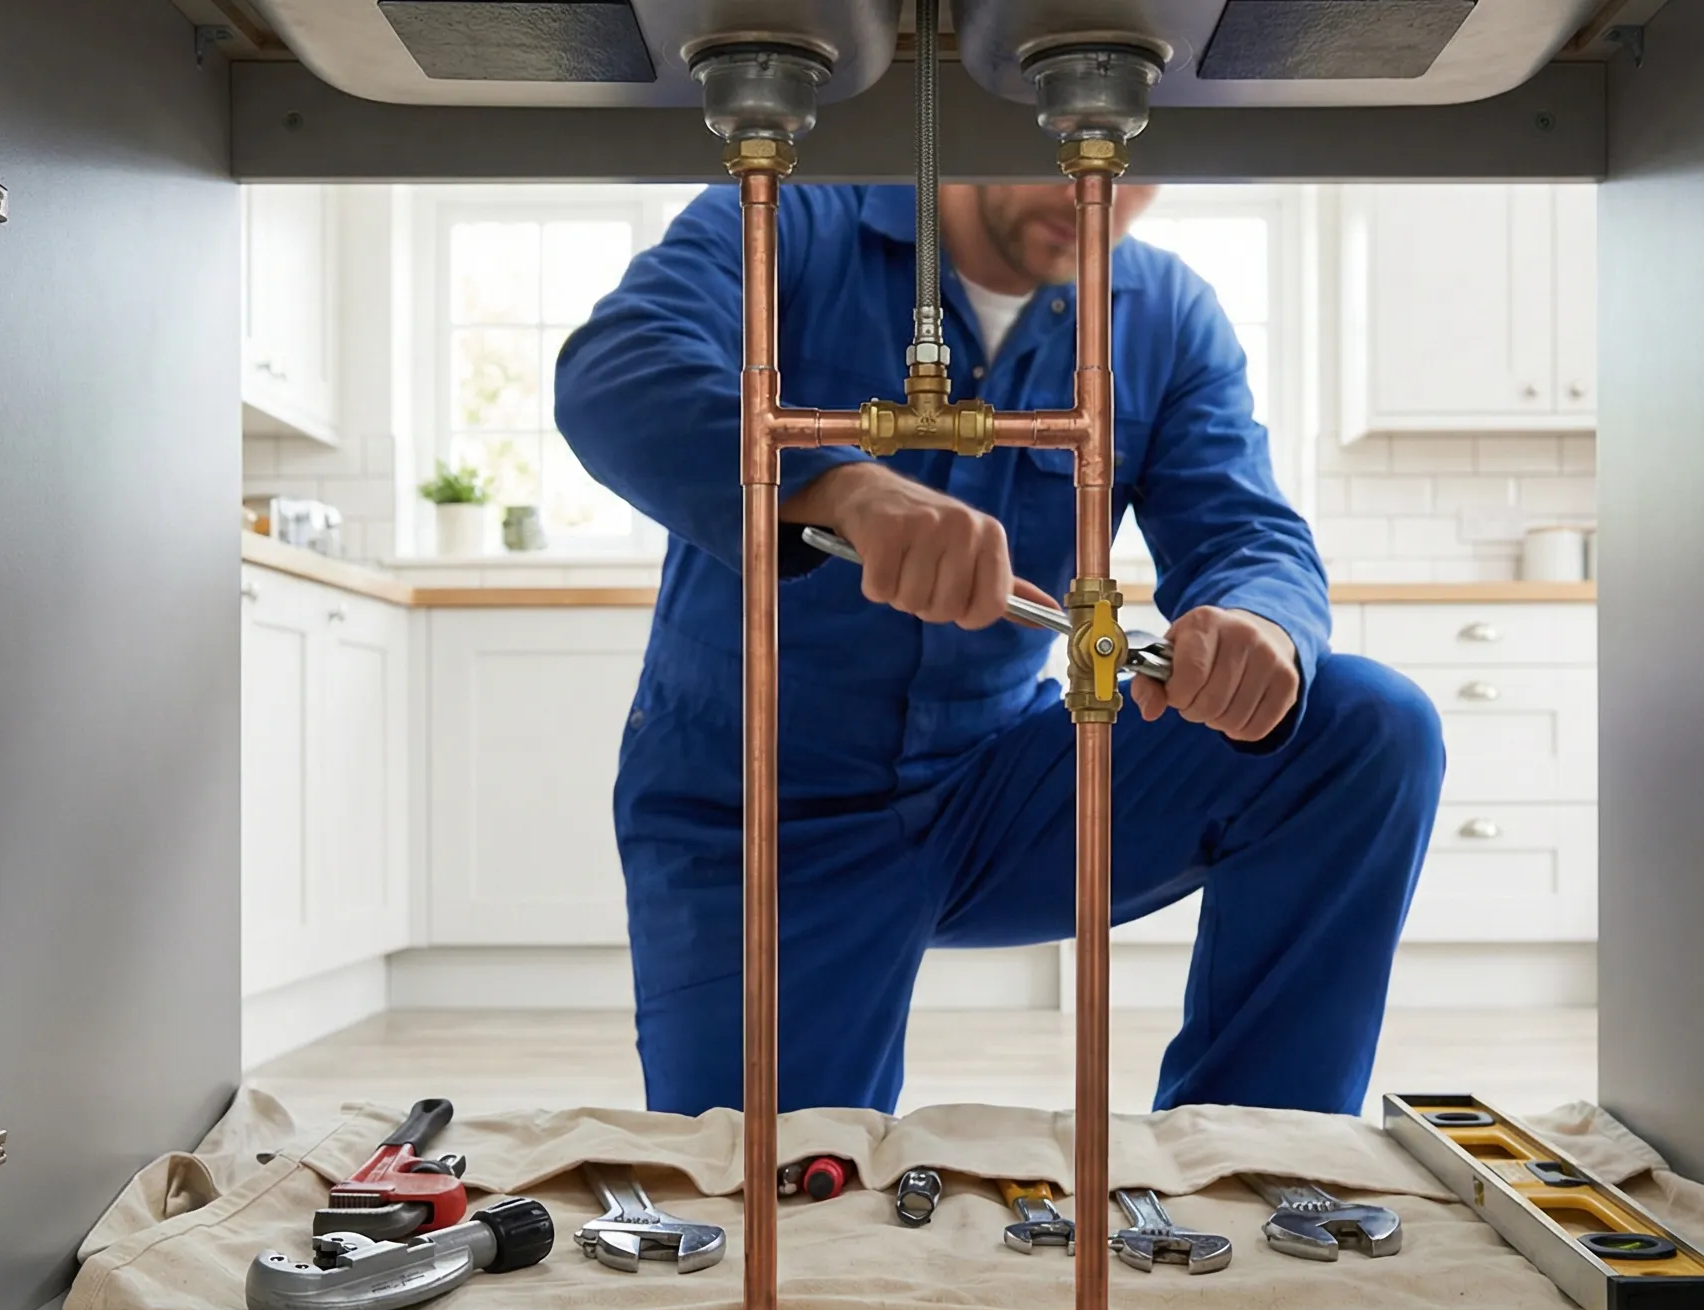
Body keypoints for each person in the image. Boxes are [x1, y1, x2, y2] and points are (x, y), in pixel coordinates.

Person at [553, 180, 1444, 1118]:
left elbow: (1247, 534)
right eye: (1052, 143)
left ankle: (1257, 1158)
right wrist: (840, 485)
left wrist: (1260, 623)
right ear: (970, 106)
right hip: (761, 816)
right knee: (772, 1194)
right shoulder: (794, 221)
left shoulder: (1167, 314)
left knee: (1362, 726)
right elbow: (618, 369)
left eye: (1129, 159)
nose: (1096, 193)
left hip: (993, 792)